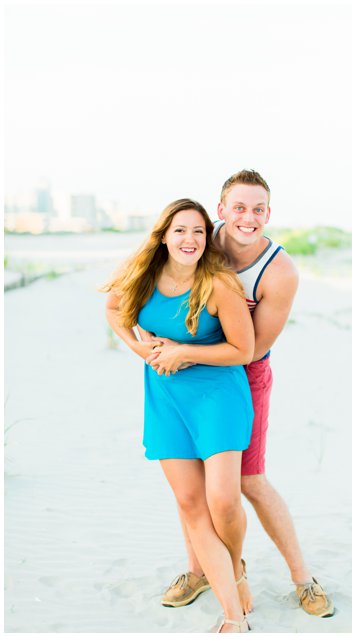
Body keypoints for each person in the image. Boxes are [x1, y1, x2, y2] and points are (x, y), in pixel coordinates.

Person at [154, 170, 335, 618]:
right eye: (239, 207)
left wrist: (184, 352)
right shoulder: (198, 239)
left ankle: (303, 579)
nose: (247, 217)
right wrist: (155, 346)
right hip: (182, 373)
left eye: (258, 209)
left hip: (241, 376)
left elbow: (251, 348)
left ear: (269, 215)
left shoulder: (279, 271)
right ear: (221, 211)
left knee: (248, 480)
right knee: (191, 482)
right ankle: (199, 571)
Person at [104, 198, 254, 633]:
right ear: (164, 235)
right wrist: (137, 347)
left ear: (207, 240)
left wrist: (183, 351)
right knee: (191, 504)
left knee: (222, 503)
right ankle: (232, 613)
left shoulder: (219, 284)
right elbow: (113, 308)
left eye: (199, 232)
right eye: (181, 230)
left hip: (217, 398)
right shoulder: (143, 274)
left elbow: (242, 350)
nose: (189, 239)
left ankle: (236, 569)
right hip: (165, 399)